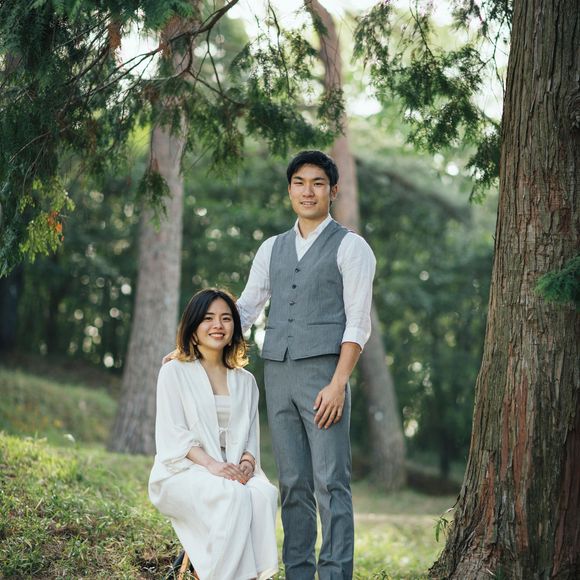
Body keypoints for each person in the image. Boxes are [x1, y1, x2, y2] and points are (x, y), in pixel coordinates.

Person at [237, 150, 376, 579]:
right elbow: (246, 308)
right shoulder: (271, 248)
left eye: (318, 183)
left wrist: (338, 383)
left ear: (333, 191)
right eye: (299, 182)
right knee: (293, 482)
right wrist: (192, 340)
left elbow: (358, 322)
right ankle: (298, 572)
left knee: (331, 482)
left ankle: (334, 575)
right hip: (277, 373)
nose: (308, 191)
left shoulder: (351, 247)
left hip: (324, 377)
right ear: (289, 190)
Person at [149, 288, 279, 580]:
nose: (218, 325)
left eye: (226, 318)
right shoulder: (174, 372)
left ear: (235, 328)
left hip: (231, 469)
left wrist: (247, 463)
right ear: (193, 327)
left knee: (263, 494)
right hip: (183, 469)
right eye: (208, 318)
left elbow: (250, 436)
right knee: (231, 495)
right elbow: (172, 434)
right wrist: (212, 465)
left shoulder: (246, 382)